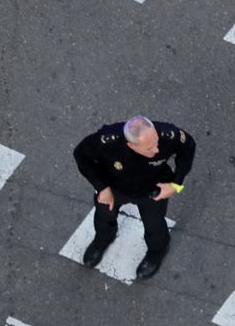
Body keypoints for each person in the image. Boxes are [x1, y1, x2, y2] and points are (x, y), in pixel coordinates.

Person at [72, 116, 196, 279]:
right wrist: (101, 187)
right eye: (149, 148)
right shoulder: (107, 141)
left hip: (153, 189)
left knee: (155, 226)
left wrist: (176, 184)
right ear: (131, 145)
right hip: (114, 188)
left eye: (156, 142)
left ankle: (156, 253)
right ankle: (102, 240)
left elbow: (188, 146)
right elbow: (81, 155)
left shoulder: (167, 134)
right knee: (103, 217)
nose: (157, 150)